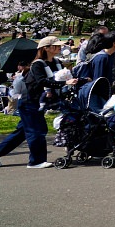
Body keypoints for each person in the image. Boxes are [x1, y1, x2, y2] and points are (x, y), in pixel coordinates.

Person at [20, 36, 78, 167]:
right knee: (37, 131)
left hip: (40, 102)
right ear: (45, 48)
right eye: (56, 46)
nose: (59, 48)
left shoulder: (56, 62)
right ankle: (36, 161)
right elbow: (42, 81)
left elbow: (64, 75)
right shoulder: (37, 64)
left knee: (21, 133)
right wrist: (64, 82)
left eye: (59, 46)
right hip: (29, 101)